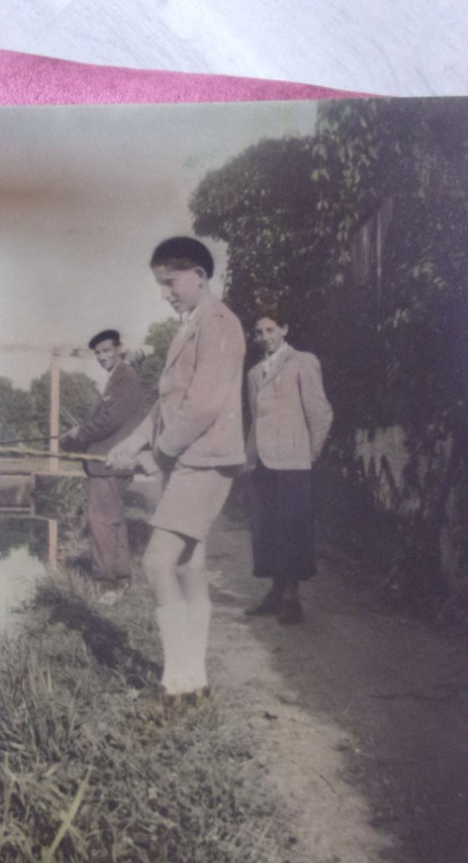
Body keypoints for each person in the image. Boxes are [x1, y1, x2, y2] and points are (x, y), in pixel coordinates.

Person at [107, 236, 246, 704]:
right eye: (160, 285)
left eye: (171, 282)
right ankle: (195, 681)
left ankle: (177, 683)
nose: (166, 292)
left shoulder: (220, 323)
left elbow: (204, 404)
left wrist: (159, 454)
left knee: (156, 563)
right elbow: (169, 405)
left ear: (200, 276)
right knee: (188, 566)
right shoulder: (192, 325)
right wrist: (132, 441)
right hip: (193, 458)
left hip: (204, 460)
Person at [244, 304, 333, 624]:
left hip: (294, 461)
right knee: (266, 530)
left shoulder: (302, 362)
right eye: (259, 332)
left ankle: (292, 598)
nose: (264, 337)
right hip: (262, 462)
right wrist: (249, 456)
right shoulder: (254, 373)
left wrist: (309, 453)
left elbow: (320, 412)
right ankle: (275, 591)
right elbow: (255, 421)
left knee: (292, 529)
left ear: (284, 330)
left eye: (270, 330)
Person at [62, 329, 144, 597]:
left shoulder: (125, 378)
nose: (102, 357)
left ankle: (105, 583)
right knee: (113, 520)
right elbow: (107, 418)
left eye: (107, 351)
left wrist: (79, 434)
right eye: (98, 353)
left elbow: (111, 420)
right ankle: (120, 578)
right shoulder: (118, 378)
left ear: (119, 349)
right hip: (111, 461)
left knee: (100, 522)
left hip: (109, 462)